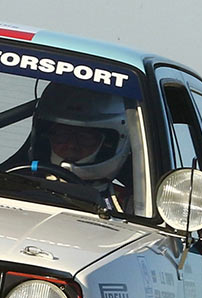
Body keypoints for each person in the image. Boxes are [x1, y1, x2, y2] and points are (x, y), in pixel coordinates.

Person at [14, 82, 133, 211]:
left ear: (108, 145)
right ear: (45, 139)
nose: (71, 145)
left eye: (84, 137)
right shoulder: (15, 185)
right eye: (62, 135)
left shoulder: (129, 205)